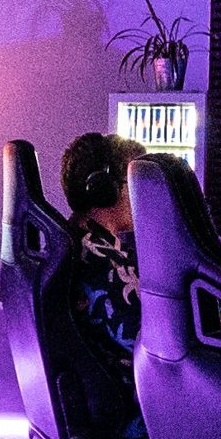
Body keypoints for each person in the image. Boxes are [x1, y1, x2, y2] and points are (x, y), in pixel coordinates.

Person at [50, 131, 141, 362]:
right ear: (105, 190)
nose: (143, 194)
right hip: (134, 379)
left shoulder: (76, 239)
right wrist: (219, 327)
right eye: (136, 183)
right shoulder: (102, 259)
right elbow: (147, 345)